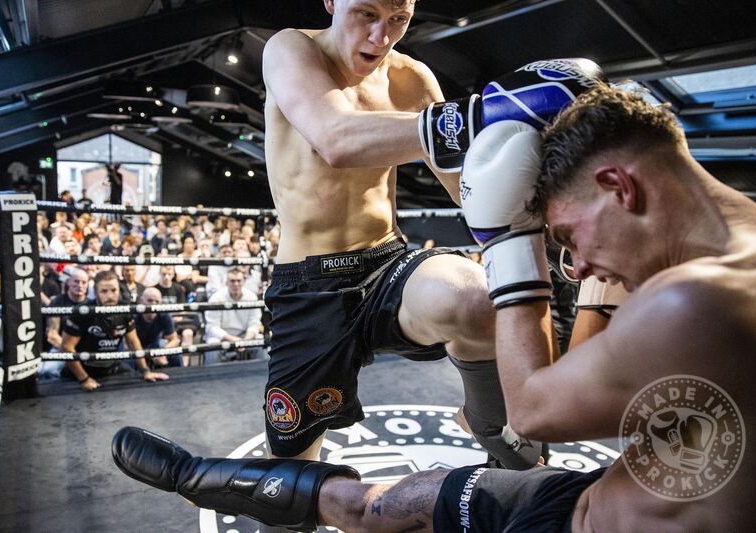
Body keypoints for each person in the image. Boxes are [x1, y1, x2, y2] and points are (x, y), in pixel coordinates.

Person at [114, 84, 756, 531]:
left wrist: (508, 243)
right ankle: (196, 474)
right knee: (388, 502)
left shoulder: (691, 300)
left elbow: (537, 411)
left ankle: (196, 475)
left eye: (570, 238)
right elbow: (574, 387)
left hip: (580, 516)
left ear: (617, 186)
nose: (578, 266)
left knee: (380, 507)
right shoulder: (737, 259)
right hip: (585, 499)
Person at [248, 0, 604, 468]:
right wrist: (483, 115)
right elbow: (334, 138)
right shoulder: (290, 49)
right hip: (309, 286)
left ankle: (492, 429)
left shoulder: (411, 78)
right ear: (332, 1)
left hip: (385, 263)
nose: (382, 36)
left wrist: (566, 225)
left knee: (478, 300)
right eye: (366, 15)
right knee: (288, 479)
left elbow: (468, 189)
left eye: (398, 19)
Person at [61, 270, 169, 392]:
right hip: (84, 370)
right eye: (104, 291)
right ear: (96, 293)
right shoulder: (83, 312)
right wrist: (84, 379)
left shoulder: (124, 309)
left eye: (114, 290)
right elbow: (66, 347)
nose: (110, 296)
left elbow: (133, 341)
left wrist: (145, 371)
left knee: (140, 391)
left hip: (111, 367)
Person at [203, 267, 263, 364]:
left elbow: (254, 324)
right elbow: (212, 327)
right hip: (223, 337)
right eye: (232, 281)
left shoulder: (252, 297)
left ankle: (265, 376)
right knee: (212, 346)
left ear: (244, 282)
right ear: (226, 282)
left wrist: (245, 341)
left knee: (261, 341)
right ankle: (212, 377)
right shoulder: (216, 298)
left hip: (245, 336)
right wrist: (233, 340)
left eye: (239, 281)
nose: (236, 284)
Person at [135, 287, 182, 368]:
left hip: (155, 346)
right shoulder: (134, 315)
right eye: (150, 300)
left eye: (157, 302)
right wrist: (149, 355)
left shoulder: (164, 314)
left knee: (175, 353)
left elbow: (175, 340)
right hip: (137, 348)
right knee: (128, 360)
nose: (153, 304)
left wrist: (161, 352)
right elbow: (127, 344)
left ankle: (180, 377)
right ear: (142, 301)